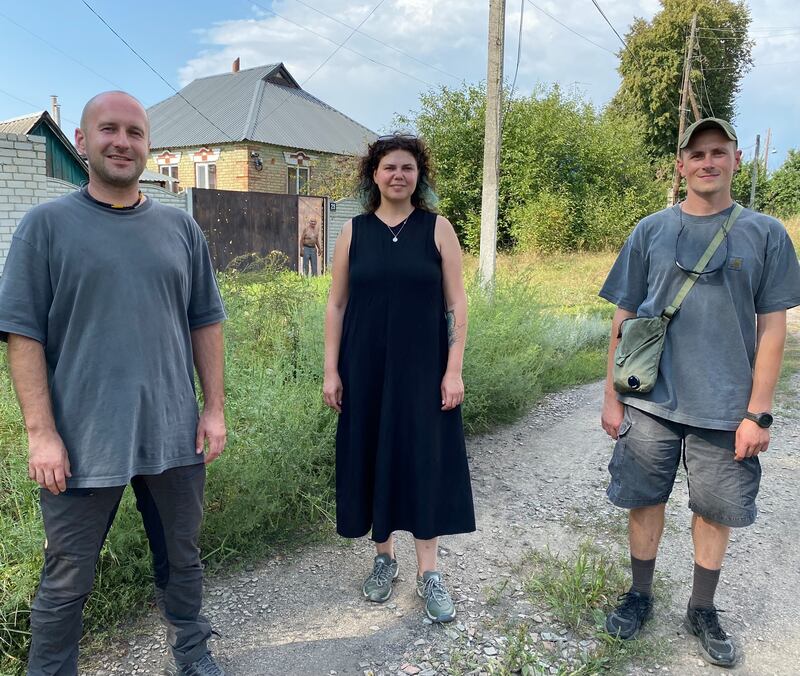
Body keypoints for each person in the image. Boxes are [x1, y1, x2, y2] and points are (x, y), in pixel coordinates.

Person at [0, 91, 228, 676]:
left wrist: (214, 409)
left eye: (134, 132)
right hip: (80, 441)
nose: (122, 141)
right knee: (67, 573)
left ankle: (193, 653)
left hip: (174, 433)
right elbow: (22, 336)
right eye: (108, 130)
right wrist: (40, 433)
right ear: (82, 141)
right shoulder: (44, 226)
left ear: (149, 146)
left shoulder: (180, 228)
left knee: (182, 559)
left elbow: (205, 320)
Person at [598, 117, 800, 666]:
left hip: (726, 406)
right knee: (643, 499)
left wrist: (758, 414)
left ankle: (702, 607)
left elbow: (773, 328)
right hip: (650, 401)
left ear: (737, 160)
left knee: (715, 509)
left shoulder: (766, 234)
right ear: (681, 166)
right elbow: (624, 314)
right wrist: (612, 396)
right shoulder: (650, 231)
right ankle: (640, 594)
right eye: (697, 153)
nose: (708, 161)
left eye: (719, 152)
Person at [323, 133, 475, 623]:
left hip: (423, 373)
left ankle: (429, 572)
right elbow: (337, 303)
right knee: (371, 456)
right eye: (389, 167)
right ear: (375, 174)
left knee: (423, 460)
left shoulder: (438, 229)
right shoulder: (353, 232)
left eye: (407, 168)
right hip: (364, 370)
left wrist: (453, 369)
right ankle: (383, 558)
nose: (398, 175)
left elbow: (457, 303)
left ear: (418, 175)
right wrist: (331, 369)